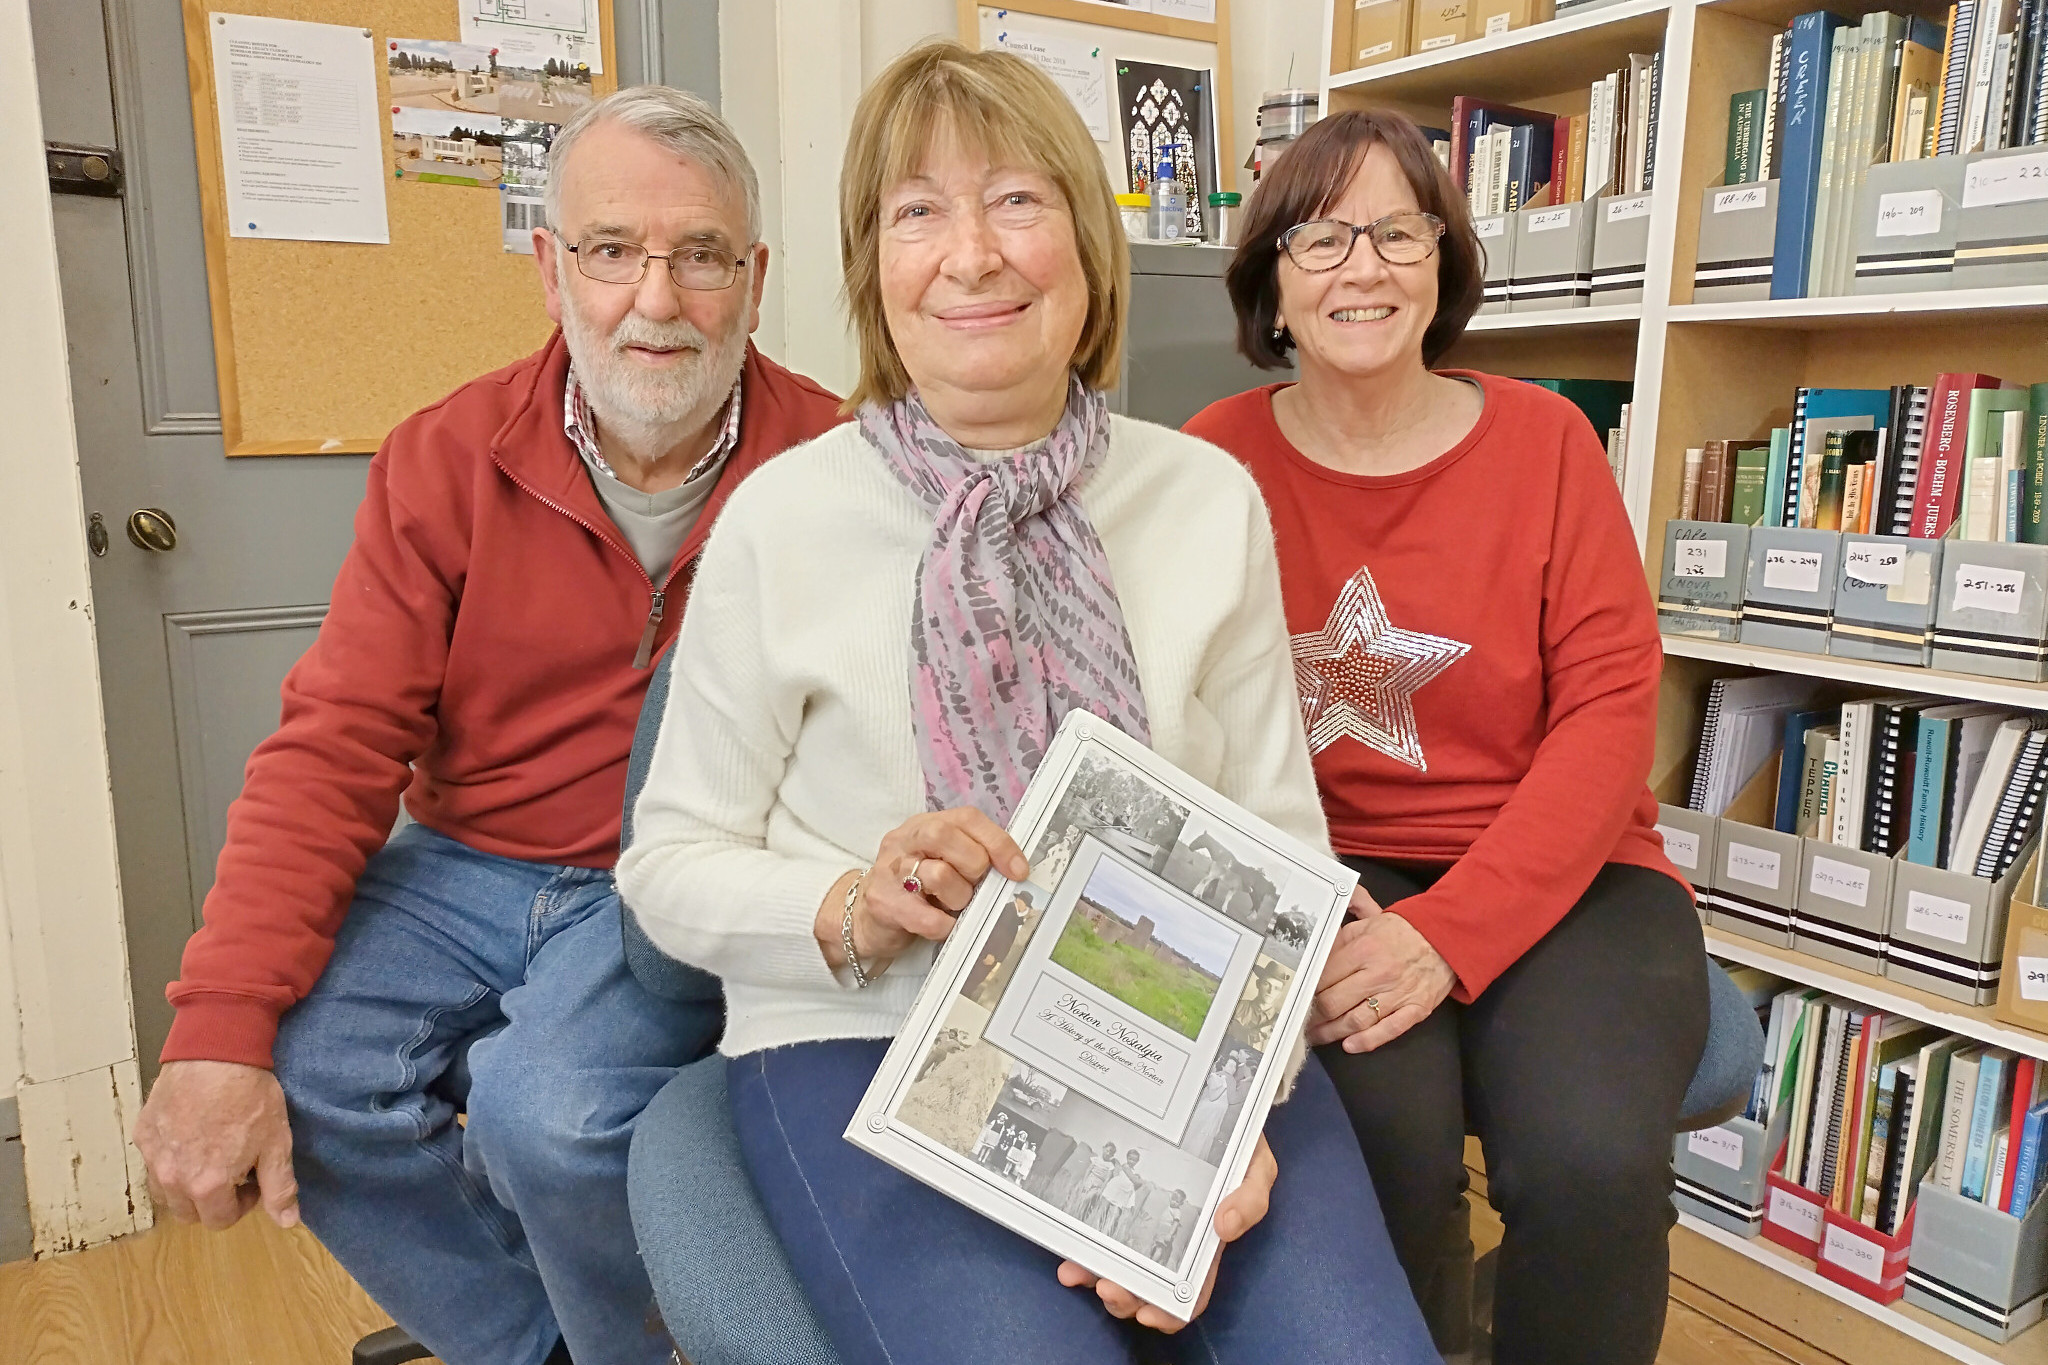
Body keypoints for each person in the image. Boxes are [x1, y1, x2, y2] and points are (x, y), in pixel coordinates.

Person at [619, 40, 1435, 1365]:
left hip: (1177, 1038)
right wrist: (851, 904)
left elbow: (1283, 856)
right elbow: (665, 871)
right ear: (872, 268)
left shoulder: (1203, 501)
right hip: (866, 1038)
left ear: (1085, 249)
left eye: (1016, 200)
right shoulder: (783, 518)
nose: (973, 254)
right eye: (917, 211)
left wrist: (1221, 1133)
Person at [129, 87, 843, 1365]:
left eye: (700, 258)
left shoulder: (833, 461)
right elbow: (337, 742)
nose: (656, 299)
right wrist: (216, 1028)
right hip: (468, 862)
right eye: (612, 251)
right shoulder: (445, 457)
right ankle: (547, 1348)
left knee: (548, 1114)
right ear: (549, 264)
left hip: (665, 875)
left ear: (754, 278)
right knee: (307, 1069)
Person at [1184, 108, 1709, 1365]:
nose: (1359, 268)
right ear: (1268, 279)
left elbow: (1605, 718)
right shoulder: (1208, 460)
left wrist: (1446, 933)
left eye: (1395, 231)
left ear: (1441, 262)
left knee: (1585, 1160)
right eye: (1317, 238)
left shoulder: (1546, 443)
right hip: (1320, 878)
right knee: (1377, 1160)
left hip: (1565, 873)